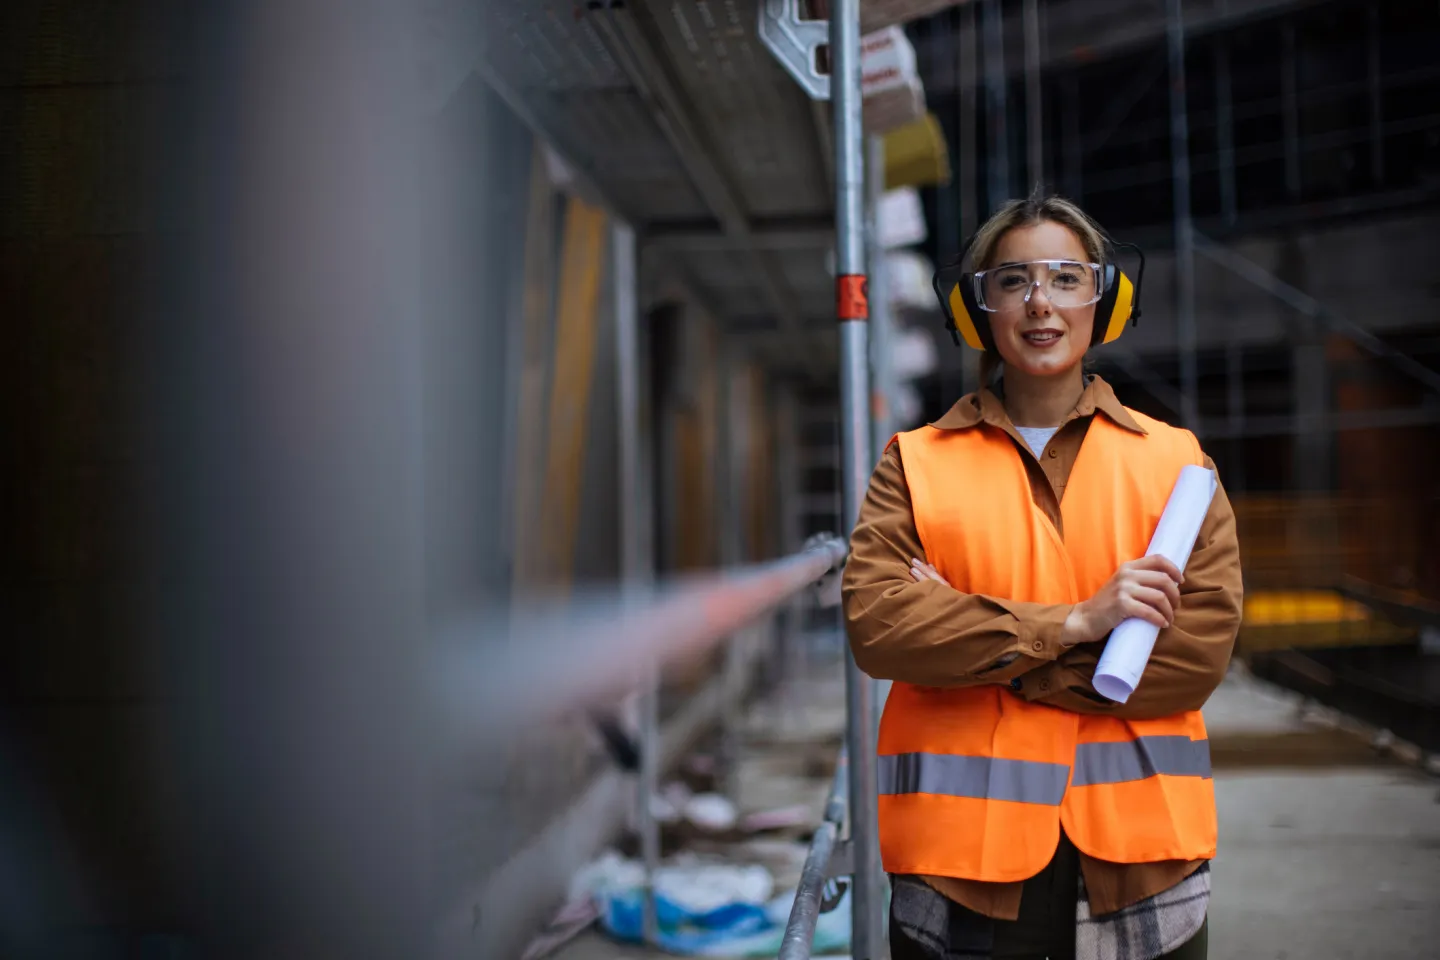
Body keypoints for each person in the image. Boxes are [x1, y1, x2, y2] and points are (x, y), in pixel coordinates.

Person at [841, 195, 1243, 960]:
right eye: (1013, 280)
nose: (1039, 303)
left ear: (1105, 299)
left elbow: (1194, 657)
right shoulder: (914, 463)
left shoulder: (1177, 466)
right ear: (978, 308)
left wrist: (989, 654)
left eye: (1065, 278)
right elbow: (879, 627)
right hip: (961, 868)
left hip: (1144, 863)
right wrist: (1077, 624)